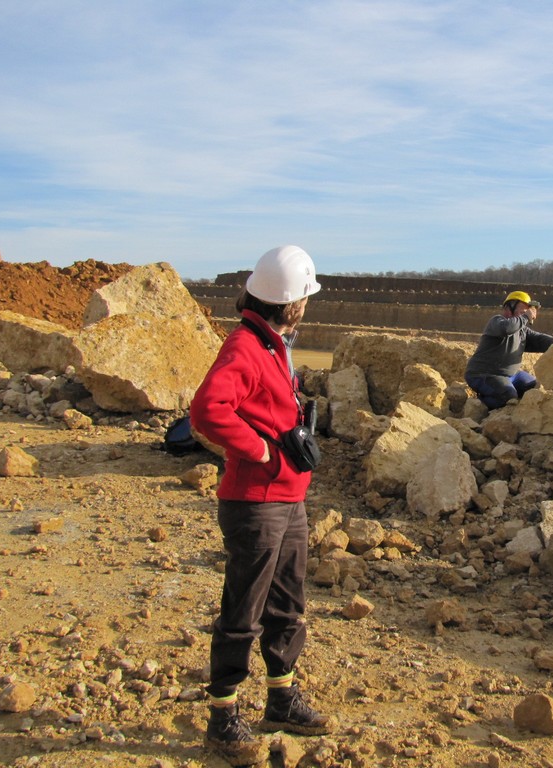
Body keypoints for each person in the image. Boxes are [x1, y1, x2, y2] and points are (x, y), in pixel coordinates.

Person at [190, 245, 332, 766]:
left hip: (287, 498)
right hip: (256, 502)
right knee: (243, 612)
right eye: (305, 298)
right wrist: (259, 449)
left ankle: (281, 697)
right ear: (290, 302)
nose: (307, 306)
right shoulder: (246, 347)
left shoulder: (273, 345)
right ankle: (223, 716)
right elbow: (207, 409)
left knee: (287, 604)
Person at [464, 290, 553, 410]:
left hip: (511, 376)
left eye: (527, 311)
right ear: (509, 308)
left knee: (535, 388)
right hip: (484, 374)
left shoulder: (523, 331)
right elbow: (507, 328)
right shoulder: (497, 322)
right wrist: (525, 317)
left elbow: (539, 340)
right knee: (507, 396)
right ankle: (479, 404)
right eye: (523, 311)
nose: (526, 314)